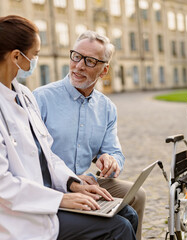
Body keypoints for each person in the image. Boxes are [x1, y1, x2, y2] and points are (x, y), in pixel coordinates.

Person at [0, 15, 137, 240]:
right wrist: (61, 199)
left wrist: (73, 184)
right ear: (16, 57)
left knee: (127, 215)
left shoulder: (24, 96)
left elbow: (47, 155)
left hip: (42, 200)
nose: (35, 60)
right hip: (11, 217)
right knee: (118, 228)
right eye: (36, 54)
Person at [33, 30, 146, 240]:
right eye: (76, 56)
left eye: (90, 61)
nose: (79, 66)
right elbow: (31, 155)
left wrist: (111, 161)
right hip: (51, 183)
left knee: (137, 196)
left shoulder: (107, 108)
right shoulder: (41, 99)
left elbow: (114, 152)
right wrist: (71, 181)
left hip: (89, 182)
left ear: (104, 71)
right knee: (121, 222)